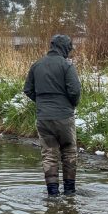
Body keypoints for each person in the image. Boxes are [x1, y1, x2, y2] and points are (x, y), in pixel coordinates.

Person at [23, 35, 81, 196]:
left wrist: (41, 102)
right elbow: (75, 91)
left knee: (49, 154)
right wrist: (71, 105)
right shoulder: (67, 66)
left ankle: (53, 193)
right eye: (69, 49)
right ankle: (70, 192)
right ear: (65, 48)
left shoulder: (37, 65)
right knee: (69, 151)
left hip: (43, 118)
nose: (70, 52)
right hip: (64, 117)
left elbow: (28, 89)